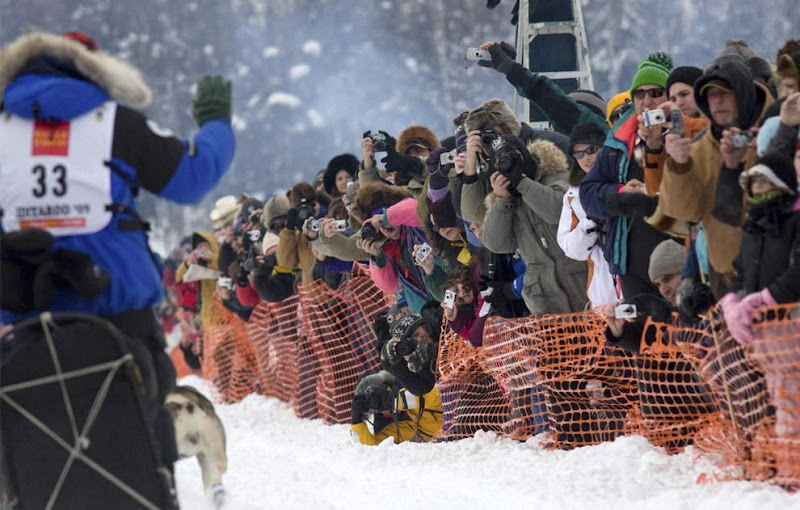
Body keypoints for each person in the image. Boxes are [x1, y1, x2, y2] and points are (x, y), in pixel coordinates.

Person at [0, 30, 234, 488]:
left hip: (21, 314)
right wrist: (216, 124)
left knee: (24, 439)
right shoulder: (114, 123)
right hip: (118, 308)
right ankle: (154, 481)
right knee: (144, 420)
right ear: (92, 68)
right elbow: (190, 179)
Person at [661, 53, 775, 297]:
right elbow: (683, 215)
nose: (718, 102)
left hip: (779, 276)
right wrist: (679, 166)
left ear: (743, 94)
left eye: (725, 93)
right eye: (712, 95)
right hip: (725, 280)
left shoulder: (776, 130)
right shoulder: (701, 146)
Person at [579, 52, 675, 298]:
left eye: (656, 93)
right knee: (643, 333)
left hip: (678, 256)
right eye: (640, 94)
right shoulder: (620, 141)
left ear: (669, 97)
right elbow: (588, 193)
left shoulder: (686, 133)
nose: (647, 100)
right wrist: (620, 194)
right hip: (632, 260)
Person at [481, 135, 588, 314]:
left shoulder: (555, 175)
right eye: (501, 160)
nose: (509, 163)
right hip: (544, 299)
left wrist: (522, 182)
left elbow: (557, 212)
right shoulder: (506, 201)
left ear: (524, 154)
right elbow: (496, 244)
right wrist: (501, 200)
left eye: (513, 155)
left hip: (581, 284)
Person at [557, 122, 618, 308]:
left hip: (636, 278)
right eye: (579, 153)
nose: (586, 158)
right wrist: (589, 224)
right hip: (603, 291)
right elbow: (572, 249)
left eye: (591, 150)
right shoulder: (573, 196)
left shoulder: (624, 178)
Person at [350, 370, 443, 445]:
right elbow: (366, 450)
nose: (380, 407)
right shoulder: (390, 427)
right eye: (374, 405)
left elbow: (436, 393)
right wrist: (357, 421)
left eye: (379, 398)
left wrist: (393, 400)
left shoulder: (418, 391)